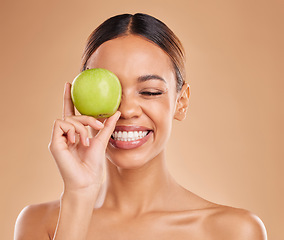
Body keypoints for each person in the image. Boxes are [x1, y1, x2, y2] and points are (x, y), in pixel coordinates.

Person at [14, 13, 267, 240]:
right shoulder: (40, 225)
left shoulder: (234, 231)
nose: (127, 110)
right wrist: (79, 196)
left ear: (181, 102)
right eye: (108, 92)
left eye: (149, 91)